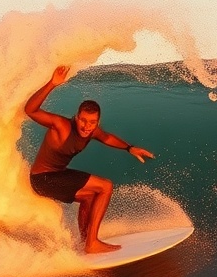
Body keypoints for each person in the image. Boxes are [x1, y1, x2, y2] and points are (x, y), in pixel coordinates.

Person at [25, 65, 154, 254]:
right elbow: (30, 110)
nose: (87, 126)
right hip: (43, 178)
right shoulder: (61, 126)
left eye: (92, 122)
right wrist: (52, 83)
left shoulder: (93, 131)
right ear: (77, 118)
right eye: (83, 120)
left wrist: (129, 148)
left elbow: (107, 137)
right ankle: (93, 243)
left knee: (89, 197)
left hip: (56, 176)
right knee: (106, 186)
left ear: (97, 122)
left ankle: (85, 241)